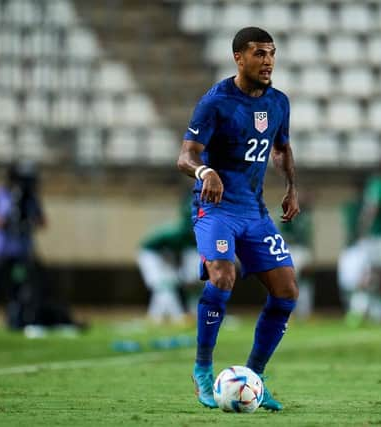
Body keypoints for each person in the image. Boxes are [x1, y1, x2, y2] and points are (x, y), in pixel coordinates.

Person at [177, 27, 299, 411]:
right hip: (216, 208)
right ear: (239, 57)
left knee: (287, 291)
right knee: (223, 275)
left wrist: (291, 186)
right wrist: (204, 172)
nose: (268, 61)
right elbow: (186, 156)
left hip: (254, 211)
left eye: (272, 53)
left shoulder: (278, 102)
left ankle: (254, 379)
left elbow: (280, 147)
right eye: (259, 53)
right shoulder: (215, 102)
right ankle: (201, 371)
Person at [0, 161, 46, 330]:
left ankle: (17, 320)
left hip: (22, 254)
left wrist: (27, 222)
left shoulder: (31, 198)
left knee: (20, 287)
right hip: (3, 252)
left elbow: (42, 221)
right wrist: (5, 222)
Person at [337, 161, 381, 325]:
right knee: (375, 274)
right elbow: (373, 208)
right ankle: (371, 310)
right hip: (379, 237)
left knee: (373, 274)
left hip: (375, 236)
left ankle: (369, 309)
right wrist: (365, 229)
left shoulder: (377, 185)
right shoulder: (379, 183)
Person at [137, 190, 198, 323]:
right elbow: (159, 249)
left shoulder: (191, 238)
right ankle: (176, 316)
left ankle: (156, 316)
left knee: (167, 284)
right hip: (151, 254)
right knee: (163, 284)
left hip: (165, 256)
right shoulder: (179, 233)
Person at [278, 191, 314, 320]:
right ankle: (288, 311)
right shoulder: (288, 211)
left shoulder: (307, 214)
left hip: (304, 250)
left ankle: (304, 312)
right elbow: (283, 233)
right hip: (292, 249)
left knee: (305, 281)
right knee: (290, 281)